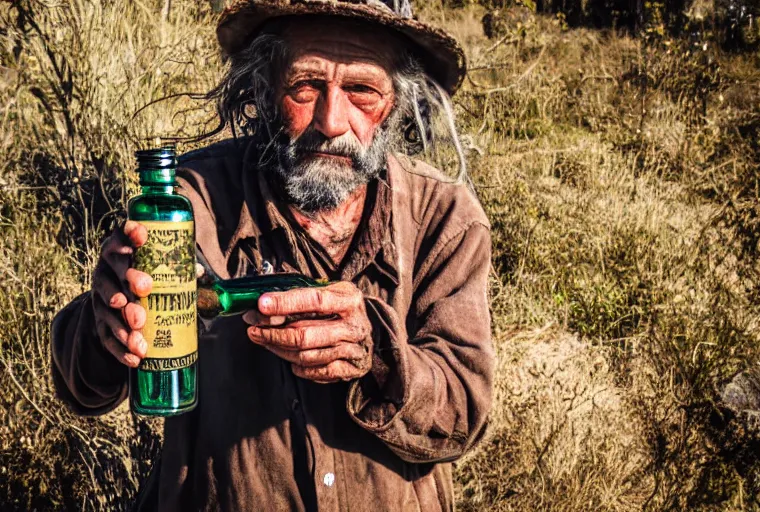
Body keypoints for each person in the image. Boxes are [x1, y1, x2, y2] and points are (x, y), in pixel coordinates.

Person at [51, 0, 494, 510]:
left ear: (395, 102)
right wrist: (108, 321)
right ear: (263, 86)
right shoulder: (188, 202)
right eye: (306, 86)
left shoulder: (443, 218)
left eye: (362, 91)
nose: (331, 121)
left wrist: (377, 354)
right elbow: (84, 387)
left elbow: (463, 412)